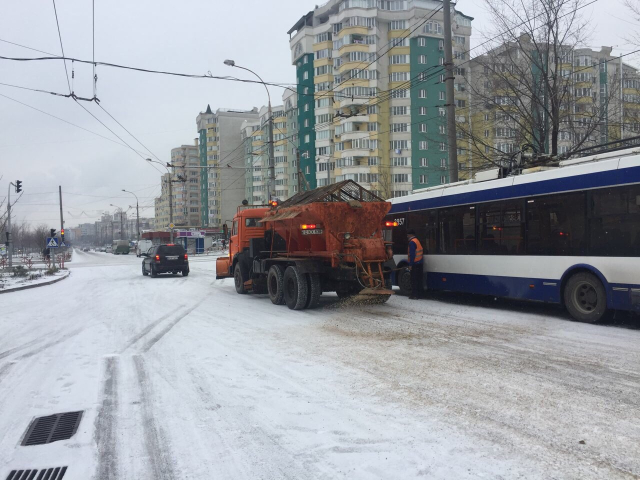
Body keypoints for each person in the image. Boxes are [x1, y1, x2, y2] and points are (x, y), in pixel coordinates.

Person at [406, 229, 424, 299]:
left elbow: (412, 255)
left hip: (415, 264)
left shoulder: (412, 242)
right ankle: (420, 294)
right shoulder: (417, 241)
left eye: (408, 235)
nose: (407, 236)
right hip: (420, 263)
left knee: (414, 280)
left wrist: (410, 265)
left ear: (411, 235)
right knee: (419, 280)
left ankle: (414, 295)